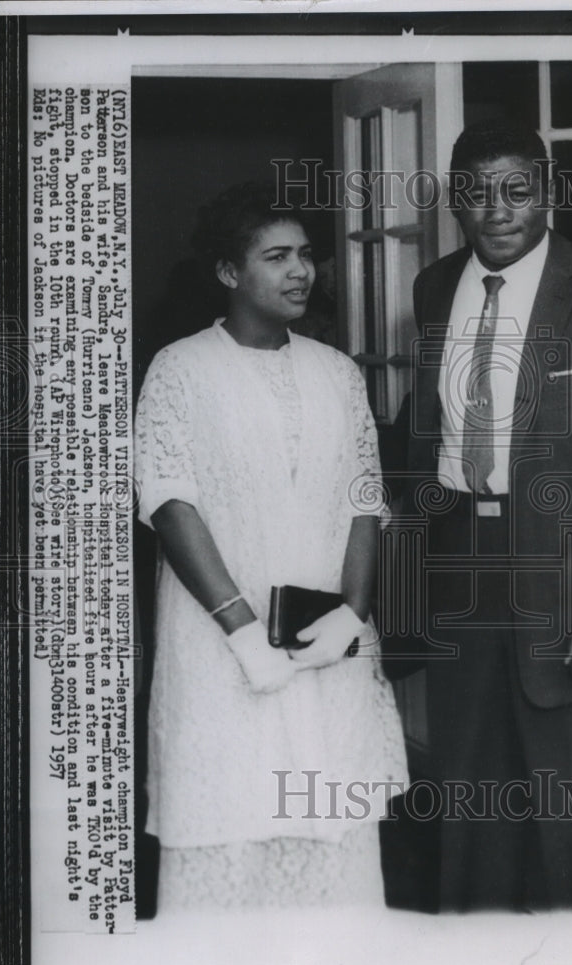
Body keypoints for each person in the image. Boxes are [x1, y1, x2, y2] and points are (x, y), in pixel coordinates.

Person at [388, 119, 572, 911]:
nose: (497, 209)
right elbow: (423, 438)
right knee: (472, 809)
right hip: (463, 583)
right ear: (455, 200)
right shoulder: (433, 288)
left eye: (516, 190)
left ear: (548, 193)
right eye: (476, 192)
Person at [133, 182, 408, 910]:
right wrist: (243, 631)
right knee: (227, 831)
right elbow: (170, 502)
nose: (300, 271)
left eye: (306, 255)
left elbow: (362, 499)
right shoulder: (180, 369)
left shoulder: (337, 372)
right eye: (276, 256)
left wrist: (352, 612)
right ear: (229, 273)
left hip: (324, 649)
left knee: (329, 835)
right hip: (222, 651)